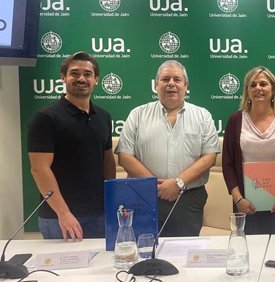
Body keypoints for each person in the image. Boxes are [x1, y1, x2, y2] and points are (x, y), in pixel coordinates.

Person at [116, 60, 220, 237]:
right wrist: (156, 186)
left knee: (184, 255)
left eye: (177, 79)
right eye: (165, 79)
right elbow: (125, 156)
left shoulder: (203, 116)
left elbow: (209, 157)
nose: (171, 83)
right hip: (145, 197)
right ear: (156, 85)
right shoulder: (137, 115)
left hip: (188, 199)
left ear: (185, 85)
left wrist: (178, 183)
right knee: (145, 253)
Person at [27, 51, 116, 240]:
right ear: (63, 78)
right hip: (60, 219)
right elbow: (39, 170)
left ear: (96, 80)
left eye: (87, 74)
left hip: (99, 215)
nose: (81, 78)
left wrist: (110, 202)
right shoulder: (46, 118)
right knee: (63, 271)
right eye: (75, 73)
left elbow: (107, 162)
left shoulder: (104, 117)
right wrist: (63, 212)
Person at [222, 66, 275, 235]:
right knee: (251, 254)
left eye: (263, 84)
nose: (258, 88)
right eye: (253, 85)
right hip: (245, 202)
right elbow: (227, 164)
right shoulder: (235, 120)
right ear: (247, 91)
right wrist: (238, 199)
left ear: (273, 89)